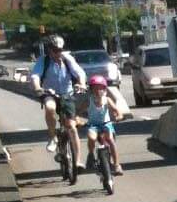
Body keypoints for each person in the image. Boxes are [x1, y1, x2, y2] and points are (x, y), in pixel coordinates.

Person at [28, 34, 86, 174]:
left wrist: (81, 84)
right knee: (49, 107)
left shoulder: (67, 59)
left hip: (67, 94)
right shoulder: (44, 61)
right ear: (49, 50)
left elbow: (80, 73)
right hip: (50, 93)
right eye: (55, 50)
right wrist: (37, 87)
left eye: (60, 50)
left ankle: (77, 161)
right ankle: (53, 137)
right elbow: (35, 76)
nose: (58, 53)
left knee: (72, 127)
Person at [83, 72, 124, 178]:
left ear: (104, 89)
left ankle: (117, 165)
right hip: (93, 125)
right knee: (91, 137)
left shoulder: (107, 100)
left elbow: (117, 111)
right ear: (91, 90)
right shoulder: (89, 101)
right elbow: (79, 112)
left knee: (110, 140)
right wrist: (78, 119)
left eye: (101, 88)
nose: (98, 91)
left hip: (106, 124)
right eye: (95, 88)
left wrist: (118, 116)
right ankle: (91, 155)